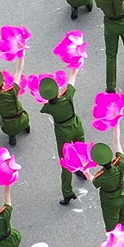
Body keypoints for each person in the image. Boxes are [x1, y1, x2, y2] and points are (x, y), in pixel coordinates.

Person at [37, 72, 85, 204]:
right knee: (80, 151)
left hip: (63, 133)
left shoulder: (47, 108)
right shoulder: (68, 96)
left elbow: (43, 107)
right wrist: (74, 70)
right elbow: (72, 81)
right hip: (76, 125)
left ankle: (68, 192)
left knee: (65, 161)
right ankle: (81, 170)